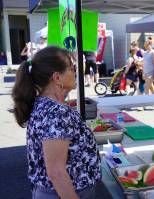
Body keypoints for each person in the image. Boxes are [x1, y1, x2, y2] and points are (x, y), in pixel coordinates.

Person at [12, 46, 101, 198]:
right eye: (71, 68)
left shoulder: (44, 104)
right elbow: (56, 172)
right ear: (57, 78)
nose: (75, 71)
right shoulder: (57, 113)